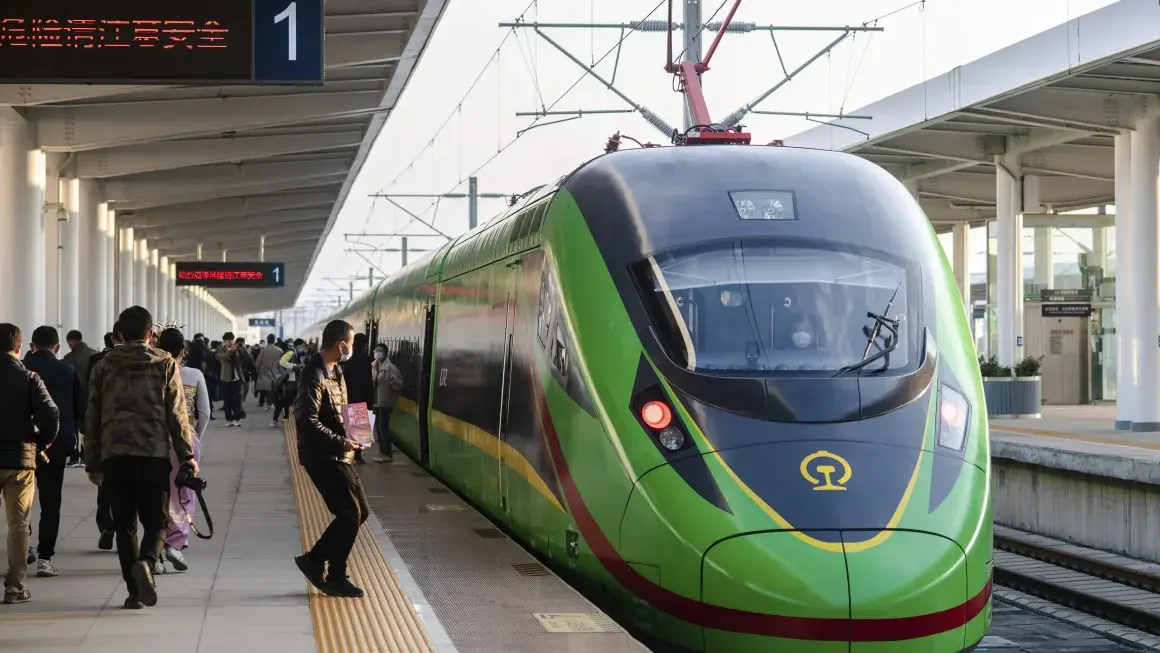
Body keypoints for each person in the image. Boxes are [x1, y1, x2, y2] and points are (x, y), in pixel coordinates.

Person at [85, 306, 198, 610]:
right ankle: (147, 562)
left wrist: (92, 462)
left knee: (124, 527)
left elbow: (92, 416)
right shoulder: (165, 363)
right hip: (153, 456)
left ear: (118, 334)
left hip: (114, 456)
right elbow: (177, 414)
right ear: (151, 334)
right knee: (157, 523)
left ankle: (134, 593)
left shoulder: (103, 365)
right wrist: (187, 456)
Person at [294, 320, 368, 598]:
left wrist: (359, 434)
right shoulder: (312, 374)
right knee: (350, 514)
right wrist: (342, 441)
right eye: (350, 343)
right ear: (341, 345)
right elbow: (306, 420)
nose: (352, 348)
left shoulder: (336, 371)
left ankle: (314, 560)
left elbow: (343, 406)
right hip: (321, 454)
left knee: (360, 512)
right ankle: (334, 575)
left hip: (340, 451)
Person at [0, 323, 60, 604]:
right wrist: (40, 442)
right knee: (19, 525)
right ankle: (15, 587)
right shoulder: (29, 378)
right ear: (20, 347)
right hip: (20, 462)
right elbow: (51, 414)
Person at [23, 326, 85, 578]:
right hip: (55, 445)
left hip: (21, 445)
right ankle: (45, 558)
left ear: (30, 346)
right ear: (57, 347)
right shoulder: (67, 370)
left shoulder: (19, 370)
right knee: (51, 502)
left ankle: (23, 547)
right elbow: (80, 408)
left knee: (19, 501)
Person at [155, 328, 209, 575]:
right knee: (183, 491)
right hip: (185, 439)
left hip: (154, 439)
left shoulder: (151, 372)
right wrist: (195, 435)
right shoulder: (193, 374)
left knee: (154, 492)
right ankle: (175, 544)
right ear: (182, 351)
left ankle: (153, 550)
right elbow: (205, 411)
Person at [86, 327, 122, 551]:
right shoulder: (157, 361)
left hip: (107, 436)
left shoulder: (97, 361)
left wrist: (91, 458)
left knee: (106, 487)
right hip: (144, 441)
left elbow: (92, 404)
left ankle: (108, 526)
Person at [341, 333, 373, 465]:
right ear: (365, 345)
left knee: (349, 427)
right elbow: (371, 382)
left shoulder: (346, 361)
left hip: (350, 396)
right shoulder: (368, 361)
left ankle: (350, 454)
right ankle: (358, 456)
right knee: (361, 428)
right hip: (363, 397)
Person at [371, 343, 403, 464]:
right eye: (376, 350)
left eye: (380, 351)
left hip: (385, 402)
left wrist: (393, 382)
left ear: (385, 354)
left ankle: (387, 454)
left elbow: (399, 385)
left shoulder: (390, 368)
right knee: (378, 429)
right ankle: (382, 452)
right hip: (375, 402)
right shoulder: (373, 366)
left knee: (383, 428)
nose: (378, 353)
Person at [216, 333, 244, 427]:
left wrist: (241, 349)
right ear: (224, 341)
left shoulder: (236, 349)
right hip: (226, 379)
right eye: (228, 340)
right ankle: (229, 419)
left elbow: (242, 359)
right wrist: (232, 351)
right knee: (227, 400)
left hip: (236, 378)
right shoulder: (221, 350)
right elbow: (224, 357)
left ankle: (236, 419)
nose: (231, 342)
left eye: (232, 340)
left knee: (237, 400)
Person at [255, 334, 282, 410]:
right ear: (274, 340)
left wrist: (256, 371)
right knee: (275, 388)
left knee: (268, 389)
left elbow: (258, 362)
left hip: (265, 371)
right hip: (276, 370)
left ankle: (269, 404)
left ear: (267, 340)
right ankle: (275, 402)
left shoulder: (263, 351)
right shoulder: (279, 350)